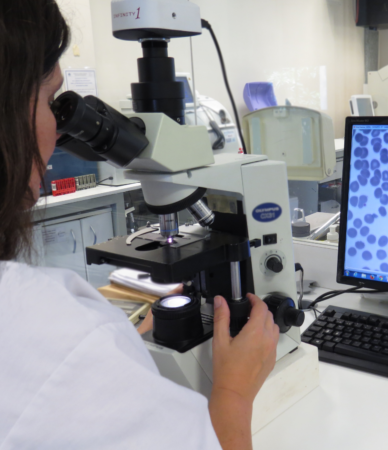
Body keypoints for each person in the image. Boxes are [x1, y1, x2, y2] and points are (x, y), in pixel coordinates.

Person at [0, 1, 279, 449]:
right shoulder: (57, 338)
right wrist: (234, 391)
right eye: (50, 100)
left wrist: (118, 350)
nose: (56, 125)